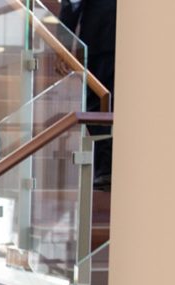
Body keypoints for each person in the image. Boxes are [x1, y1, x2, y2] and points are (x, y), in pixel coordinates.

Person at [59, 0, 116, 191]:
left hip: (101, 38)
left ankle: (106, 168)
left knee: (99, 104)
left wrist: (63, 44)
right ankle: (110, 167)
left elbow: (72, 4)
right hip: (124, 38)